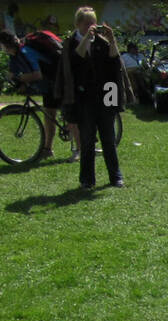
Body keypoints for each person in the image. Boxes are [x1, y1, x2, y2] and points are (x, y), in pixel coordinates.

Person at [58, 7, 129, 191]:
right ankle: (87, 180)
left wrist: (112, 40)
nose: (91, 26)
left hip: (107, 92)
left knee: (109, 138)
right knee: (87, 139)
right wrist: (85, 40)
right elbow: (75, 60)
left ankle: (116, 177)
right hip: (83, 97)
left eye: (93, 22)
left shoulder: (102, 42)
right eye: (87, 23)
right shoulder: (71, 43)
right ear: (78, 24)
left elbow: (115, 62)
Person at [0, 29, 58, 159]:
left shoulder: (25, 52)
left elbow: (37, 74)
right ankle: (47, 149)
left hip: (56, 80)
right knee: (49, 116)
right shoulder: (15, 56)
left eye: (2, 46)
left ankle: (80, 148)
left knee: (66, 116)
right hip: (48, 85)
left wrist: (18, 79)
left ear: (5, 45)